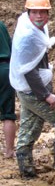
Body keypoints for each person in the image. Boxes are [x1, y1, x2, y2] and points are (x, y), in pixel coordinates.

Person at [10, 0, 55, 178]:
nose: (39, 16)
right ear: (28, 12)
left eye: (43, 12)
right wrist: (46, 95)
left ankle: (26, 170)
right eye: (35, 12)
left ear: (48, 13)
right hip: (31, 90)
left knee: (30, 127)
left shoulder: (36, 28)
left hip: (28, 89)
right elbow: (28, 70)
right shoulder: (28, 36)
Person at [0, 21, 16, 158]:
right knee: (8, 113)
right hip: (6, 70)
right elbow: (12, 48)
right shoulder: (1, 25)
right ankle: (9, 151)